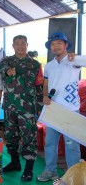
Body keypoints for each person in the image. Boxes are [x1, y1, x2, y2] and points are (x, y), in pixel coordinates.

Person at [37, 32, 85, 182]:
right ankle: (50, 170)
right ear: (50, 47)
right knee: (50, 142)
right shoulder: (49, 65)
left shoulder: (73, 60)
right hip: (53, 110)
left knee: (71, 146)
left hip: (71, 110)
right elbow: (46, 83)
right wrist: (45, 96)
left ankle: (73, 177)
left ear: (65, 45)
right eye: (53, 44)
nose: (56, 46)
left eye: (59, 43)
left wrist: (76, 56)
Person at [0, 35, 43, 182]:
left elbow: (39, 86)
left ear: (27, 45)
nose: (20, 46)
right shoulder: (6, 61)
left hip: (27, 108)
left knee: (29, 136)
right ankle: (15, 162)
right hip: (10, 107)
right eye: (17, 44)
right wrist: (8, 70)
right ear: (13, 46)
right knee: (11, 136)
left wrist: (40, 107)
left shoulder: (35, 64)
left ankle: (28, 169)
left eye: (23, 43)